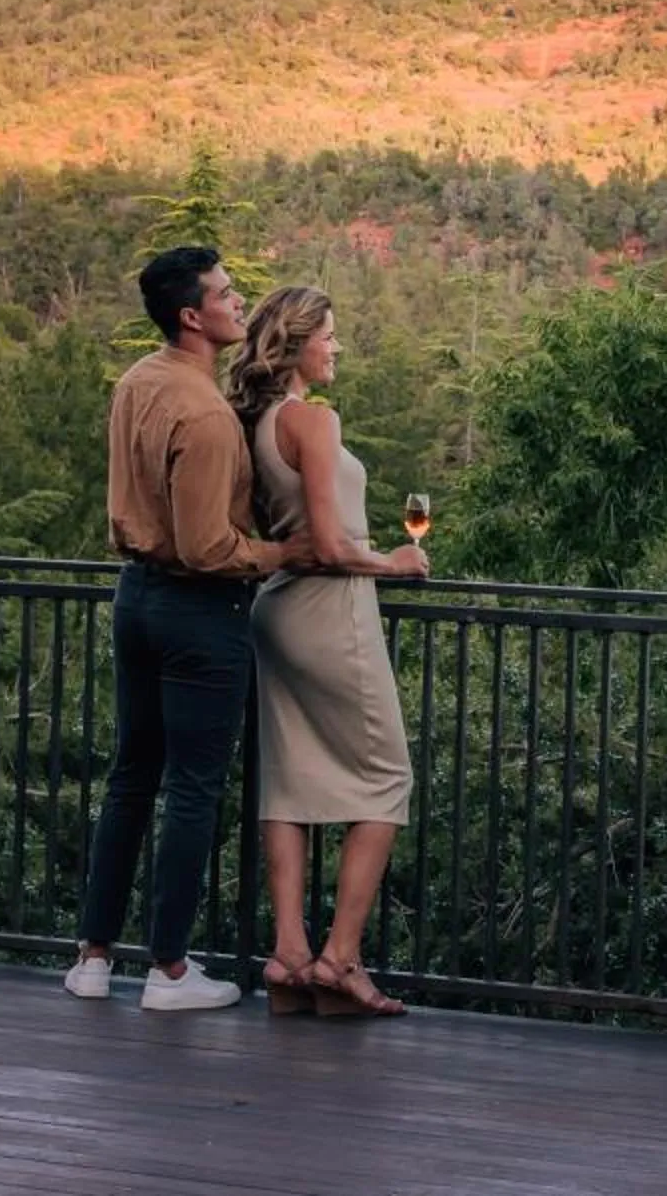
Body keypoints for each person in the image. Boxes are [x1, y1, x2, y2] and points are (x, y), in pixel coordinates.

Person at [66, 246, 301, 1011]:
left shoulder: (139, 381)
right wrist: (285, 551)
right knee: (192, 789)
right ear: (193, 316)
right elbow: (208, 548)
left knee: (131, 777)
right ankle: (169, 970)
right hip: (199, 608)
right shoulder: (203, 415)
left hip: (133, 598)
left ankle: (94, 957)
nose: (241, 303)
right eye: (228, 294)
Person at [230, 285, 428, 1018]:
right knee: (386, 778)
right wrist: (395, 563)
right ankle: (340, 959)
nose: (336, 348)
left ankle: (287, 955)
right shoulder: (312, 421)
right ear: (298, 343)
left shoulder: (256, 422)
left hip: (274, 608)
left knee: (290, 780)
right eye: (330, 337)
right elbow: (334, 544)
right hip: (328, 611)